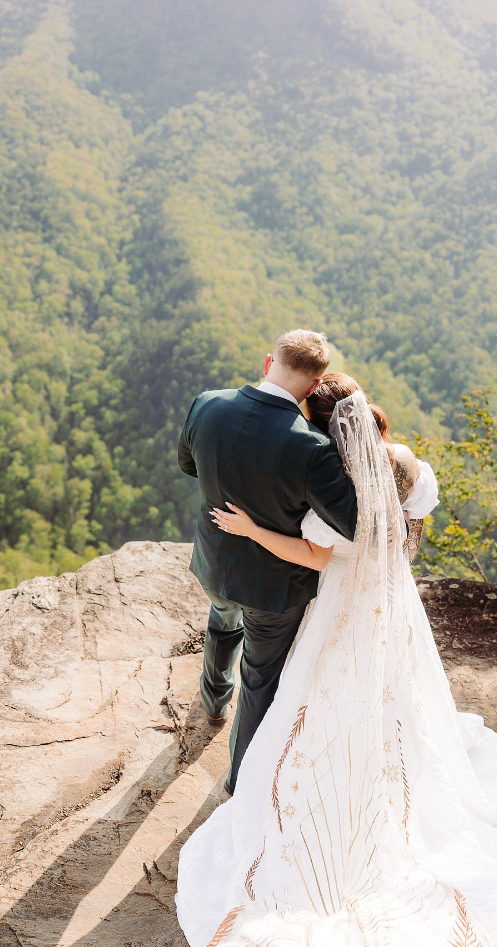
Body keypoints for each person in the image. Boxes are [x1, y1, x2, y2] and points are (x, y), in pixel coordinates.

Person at [176, 378, 497, 947]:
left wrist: (252, 528)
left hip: (338, 603)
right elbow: (415, 521)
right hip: (389, 599)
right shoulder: (404, 467)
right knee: (393, 685)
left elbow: (309, 551)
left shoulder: (333, 487)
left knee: (310, 688)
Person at [178, 331, 358, 795]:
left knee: (222, 623)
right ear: (316, 387)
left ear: (267, 363)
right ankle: (242, 785)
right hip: (275, 586)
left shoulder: (207, 405)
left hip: (216, 561)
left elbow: (189, 465)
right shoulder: (312, 447)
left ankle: (213, 703)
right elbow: (352, 524)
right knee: (260, 681)